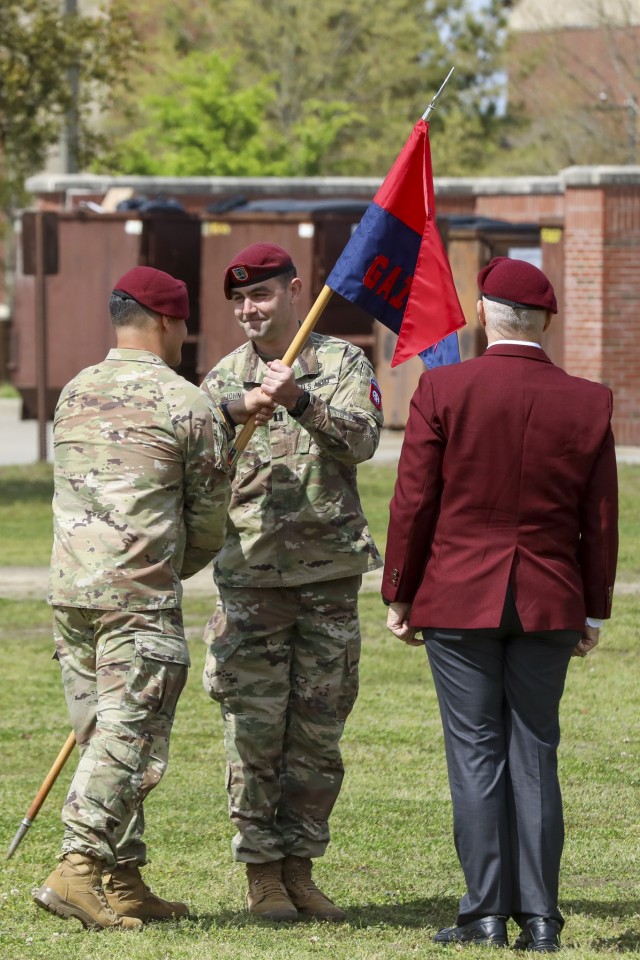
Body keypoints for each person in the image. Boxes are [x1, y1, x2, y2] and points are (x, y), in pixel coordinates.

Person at [382, 257, 618, 951]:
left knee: (476, 753)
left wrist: (400, 588)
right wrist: (594, 610)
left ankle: (485, 912)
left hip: (457, 595)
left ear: (483, 314)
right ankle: (540, 918)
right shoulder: (587, 400)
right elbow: (599, 519)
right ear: (546, 321)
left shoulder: (443, 387)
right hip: (550, 598)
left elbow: (414, 501)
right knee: (534, 750)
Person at [34, 266, 232, 930]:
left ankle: (122, 880)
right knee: (130, 737)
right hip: (137, 595)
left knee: (101, 735)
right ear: (169, 323)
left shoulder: (75, 392)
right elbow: (209, 519)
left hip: (71, 593)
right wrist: (174, 567)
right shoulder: (186, 401)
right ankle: (78, 865)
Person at [200, 242, 383, 922]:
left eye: (264, 295)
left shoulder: (339, 363)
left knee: (316, 731)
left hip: (329, 578)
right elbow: (196, 471)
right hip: (251, 582)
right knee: (253, 730)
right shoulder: (220, 379)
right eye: (241, 300)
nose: (251, 308)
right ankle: (262, 876)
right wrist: (232, 412)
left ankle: (301, 869)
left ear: (295, 291)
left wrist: (300, 401)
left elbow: (364, 441)